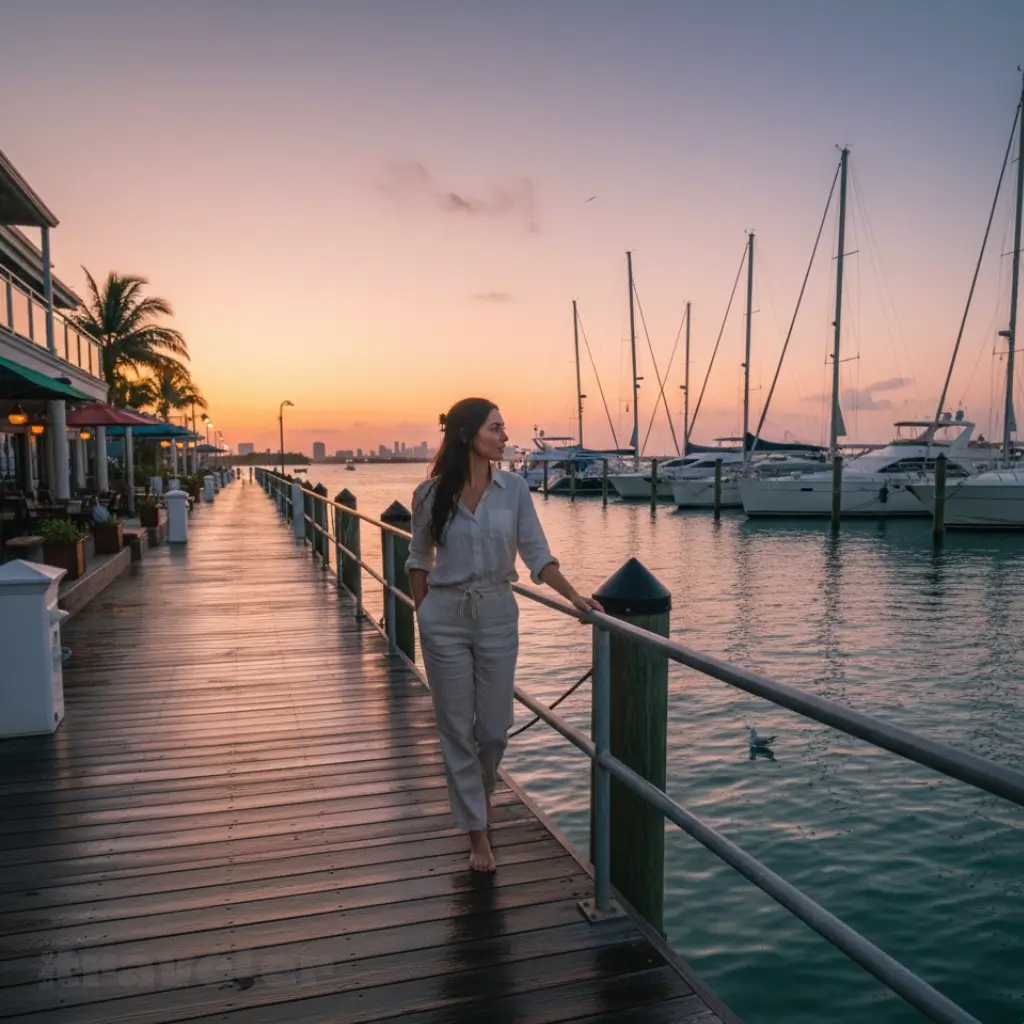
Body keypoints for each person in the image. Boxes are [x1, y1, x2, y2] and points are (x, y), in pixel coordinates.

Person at [407, 398, 602, 872]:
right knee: (455, 728)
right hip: (444, 619)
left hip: (496, 614)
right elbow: (418, 558)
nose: (504, 436)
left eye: (503, 428)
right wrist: (425, 610)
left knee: (493, 730)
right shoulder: (428, 495)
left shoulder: (514, 489)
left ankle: (481, 787)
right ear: (465, 434)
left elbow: (537, 554)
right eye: (495, 428)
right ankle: (478, 832)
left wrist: (574, 595)